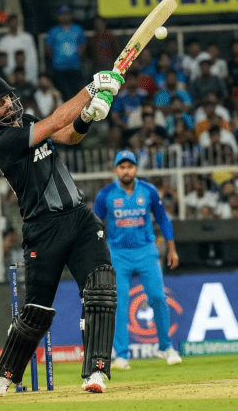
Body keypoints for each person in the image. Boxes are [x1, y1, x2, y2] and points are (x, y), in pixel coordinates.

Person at [0, 69, 120, 397]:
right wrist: (91, 88)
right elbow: (54, 123)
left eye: (7, 96)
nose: (7, 104)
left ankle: (95, 371)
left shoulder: (26, 119)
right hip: (42, 228)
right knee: (36, 310)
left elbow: (68, 136)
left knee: (101, 288)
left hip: (80, 219)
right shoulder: (2, 141)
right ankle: (5, 375)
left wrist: (86, 117)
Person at [93, 150, 181, 371]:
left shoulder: (149, 191)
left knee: (158, 297)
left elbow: (163, 219)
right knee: (119, 305)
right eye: (122, 167)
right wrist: (96, 253)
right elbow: (94, 224)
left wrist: (172, 249)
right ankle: (121, 355)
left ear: (135, 169)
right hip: (118, 254)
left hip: (146, 251)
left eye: (129, 166)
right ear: (116, 169)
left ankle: (166, 347)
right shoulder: (106, 195)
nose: (126, 170)